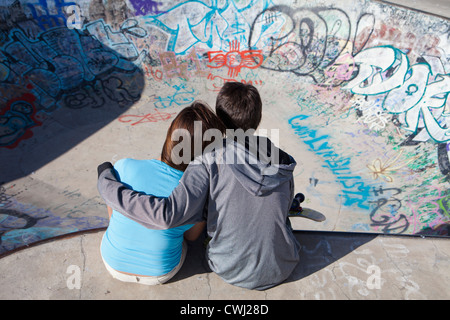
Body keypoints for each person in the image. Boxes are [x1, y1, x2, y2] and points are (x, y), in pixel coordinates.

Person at [97, 82, 301, 290]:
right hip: (282, 265)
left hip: (228, 268)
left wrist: (107, 183)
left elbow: (166, 216)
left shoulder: (206, 161)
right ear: (258, 119)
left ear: (220, 122)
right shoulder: (281, 159)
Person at [100, 101, 225, 285]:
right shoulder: (196, 193)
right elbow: (191, 237)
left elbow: (112, 209)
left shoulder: (124, 166)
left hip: (111, 261)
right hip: (160, 272)